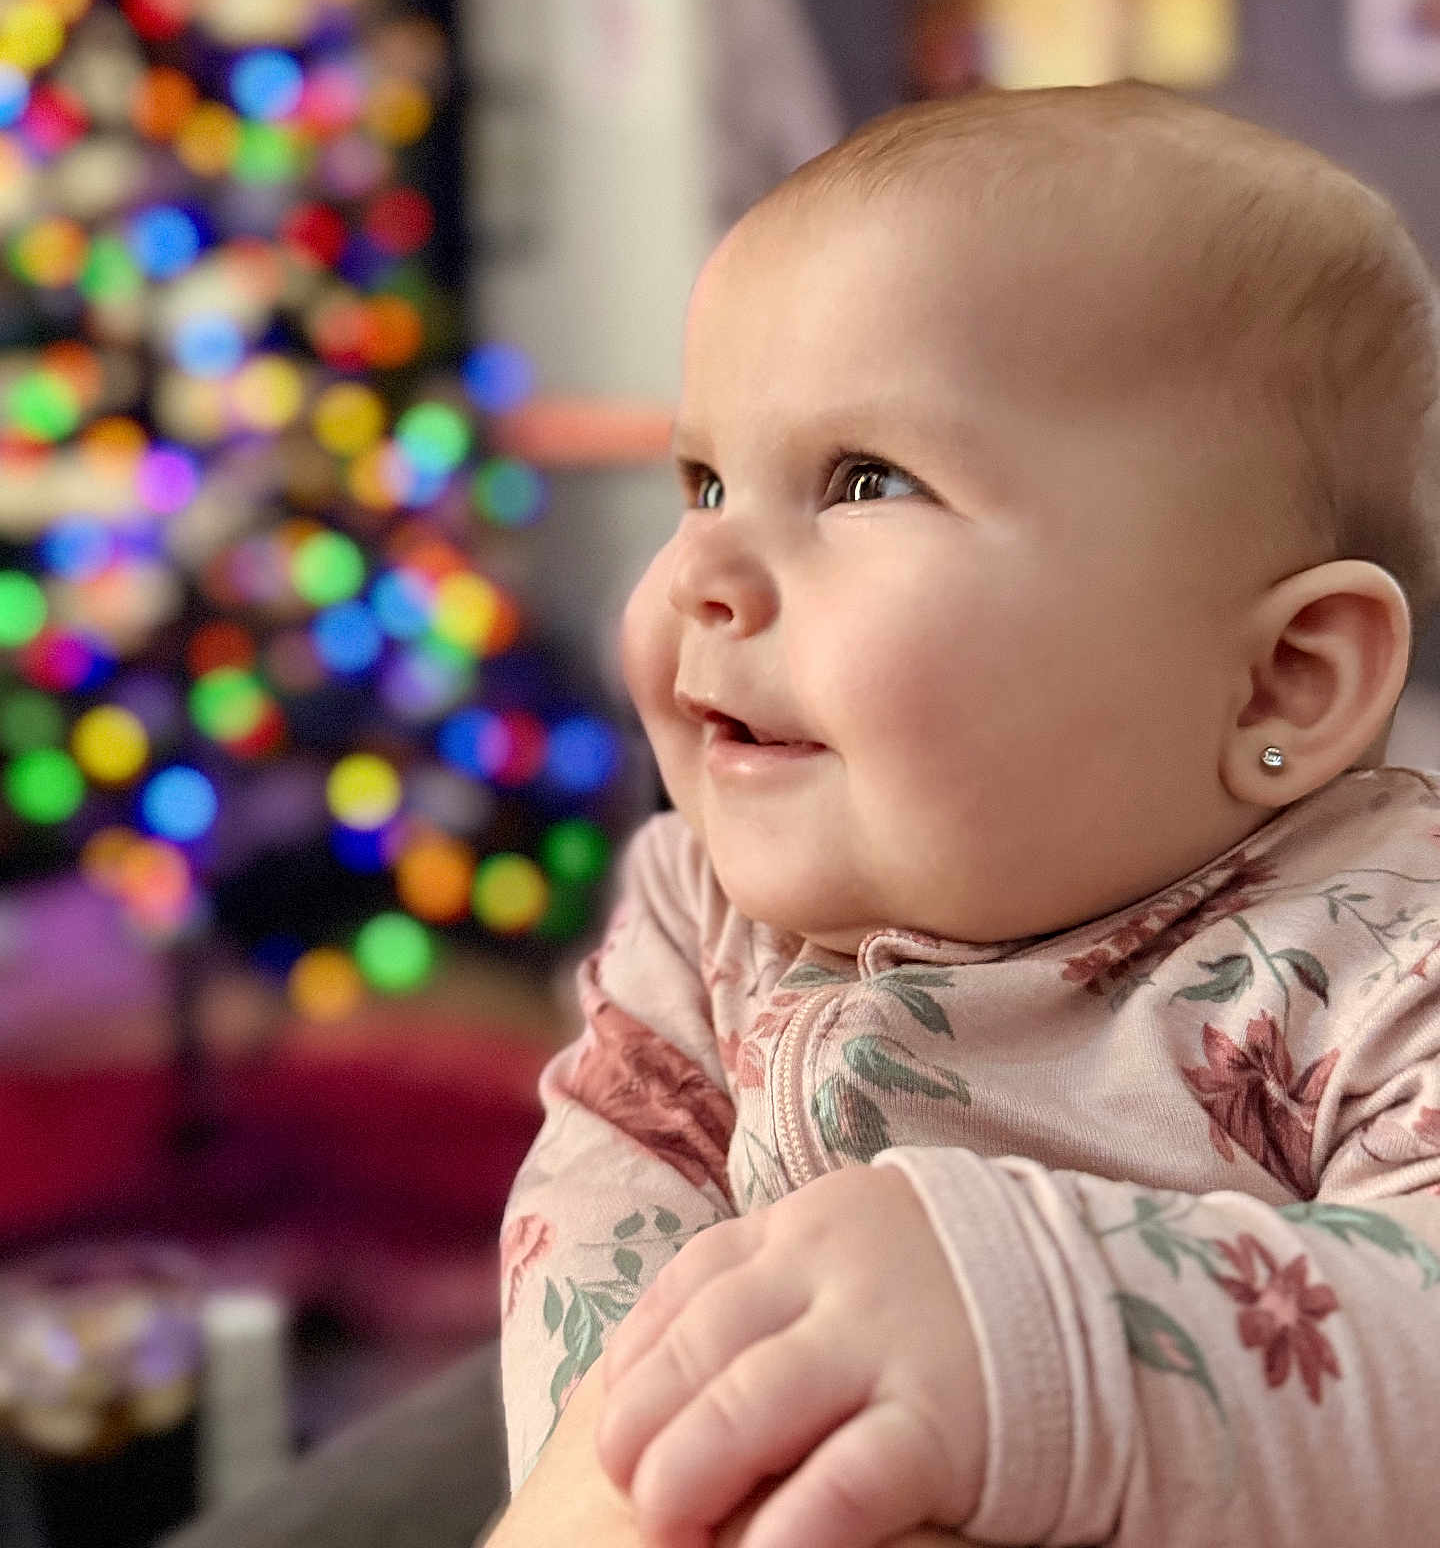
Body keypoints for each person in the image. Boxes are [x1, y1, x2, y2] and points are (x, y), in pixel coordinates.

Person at [492, 83, 1440, 1548]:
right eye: (704, 479)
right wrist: (669, 1455)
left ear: (1277, 683)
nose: (700, 574)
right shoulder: (705, 919)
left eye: (866, 480)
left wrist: (1033, 1332)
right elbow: (602, 1224)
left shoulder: (1385, 966)